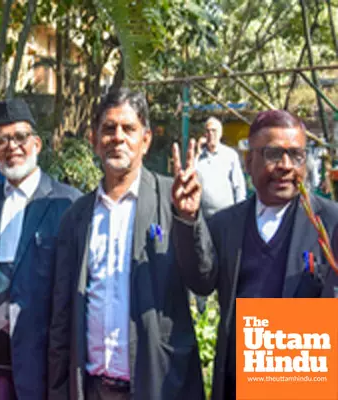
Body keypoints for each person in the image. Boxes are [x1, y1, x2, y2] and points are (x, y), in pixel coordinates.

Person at [48, 88, 204, 400]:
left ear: (145, 141)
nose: (117, 137)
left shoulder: (173, 200)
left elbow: (202, 279)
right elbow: (62, 315)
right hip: (92, 387)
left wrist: (189, 220)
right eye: (108, 129)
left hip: (158, 384)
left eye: (128, 129)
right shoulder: (77, 217)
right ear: (94, 140)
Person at [171, 109, 338, 400]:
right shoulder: (226, 224)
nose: (286, 166)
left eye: (296, 156)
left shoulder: (330, 224)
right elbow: (201, 281)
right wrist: (188, 218)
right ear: (248, 162)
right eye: (273, 154)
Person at [0, 98, 82, 399]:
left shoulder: (67, 203)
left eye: (20, 137)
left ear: (36, 143)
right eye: (2, 140)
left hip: (42, 368)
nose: (12, 146)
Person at [196, 117, 246, 218]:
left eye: (214, 130)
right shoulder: (199, 158)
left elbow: (239, 187)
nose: (211, 134)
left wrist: (239, 214)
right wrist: (197, 152)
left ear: (220, 133)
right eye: (208, 131)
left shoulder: (230, 155)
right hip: (204, 218)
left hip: (227, 217)